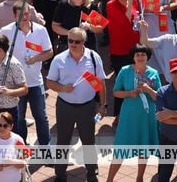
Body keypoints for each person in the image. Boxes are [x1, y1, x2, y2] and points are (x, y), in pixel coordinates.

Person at [46, 26, 106, 182]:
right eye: (70, 41)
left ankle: (91, 174)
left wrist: (102, 106)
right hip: (65, 106)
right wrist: (62, 88)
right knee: (63, 141)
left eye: (77, 41)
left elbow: (101, 84)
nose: (73, 44)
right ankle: (60, 175)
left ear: (84, 42)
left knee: (88, 141)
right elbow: (50, 82)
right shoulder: (59, 59)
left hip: (87, 107)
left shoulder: (93, 58)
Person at [0, 1, 53, 145]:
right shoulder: (6, 31)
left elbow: (49, 52)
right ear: (14, 15)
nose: (24, 17)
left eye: (27, 13)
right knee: (18, 117)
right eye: (21, 14)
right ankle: (21, 146)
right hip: (16, 84)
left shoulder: (41, 30)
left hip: (35, 82)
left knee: (41, 116)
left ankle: (45, 147)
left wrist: (36, 58)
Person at [105, 44, 160, 182]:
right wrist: (130, 93)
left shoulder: (153, 73)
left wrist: (148, 90)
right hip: (129, 116)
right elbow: (116, 92)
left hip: (147, 117)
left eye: (143, 54)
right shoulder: (125, 71)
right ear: (133, 57)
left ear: (148, 56)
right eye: (137, 54)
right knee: (121, 148)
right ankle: (109, 179)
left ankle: (139, 178)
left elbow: (159, 98)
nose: (140, 57)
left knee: (144, 147)